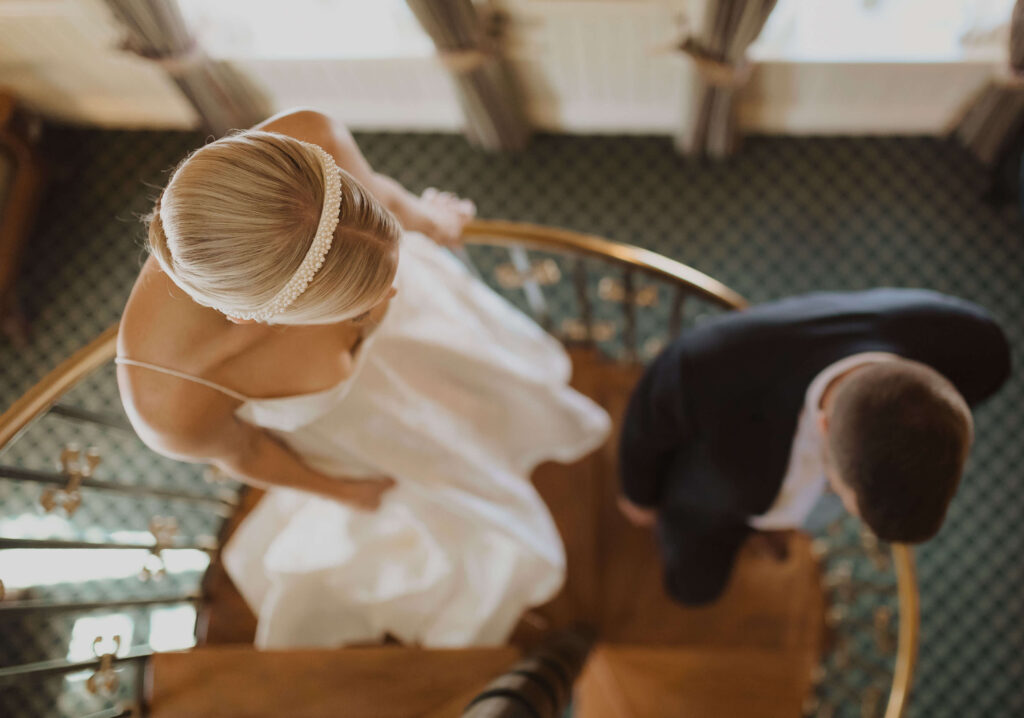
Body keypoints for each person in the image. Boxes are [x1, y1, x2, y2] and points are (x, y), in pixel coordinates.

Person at [116, 109, 611, 648]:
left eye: (389, 276)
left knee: (490, 394)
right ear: (252, 318)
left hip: (423, 342)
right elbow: (248, 455)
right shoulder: (169, 401)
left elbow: (390, 202)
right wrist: (344, 491)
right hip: (364, 425)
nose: (390, 299)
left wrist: (423, 221)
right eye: (356, 310)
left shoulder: (304, 141)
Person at [617, 289, 1010, 606]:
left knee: (806, 515)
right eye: (842, 494)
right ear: (823, 427)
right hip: (711, 506)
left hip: (768, 483)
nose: (841, 506)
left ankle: (773, 529)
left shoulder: (975, 347)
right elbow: (646, 421)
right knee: (694, 589)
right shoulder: (706, 367)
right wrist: (638, 495)